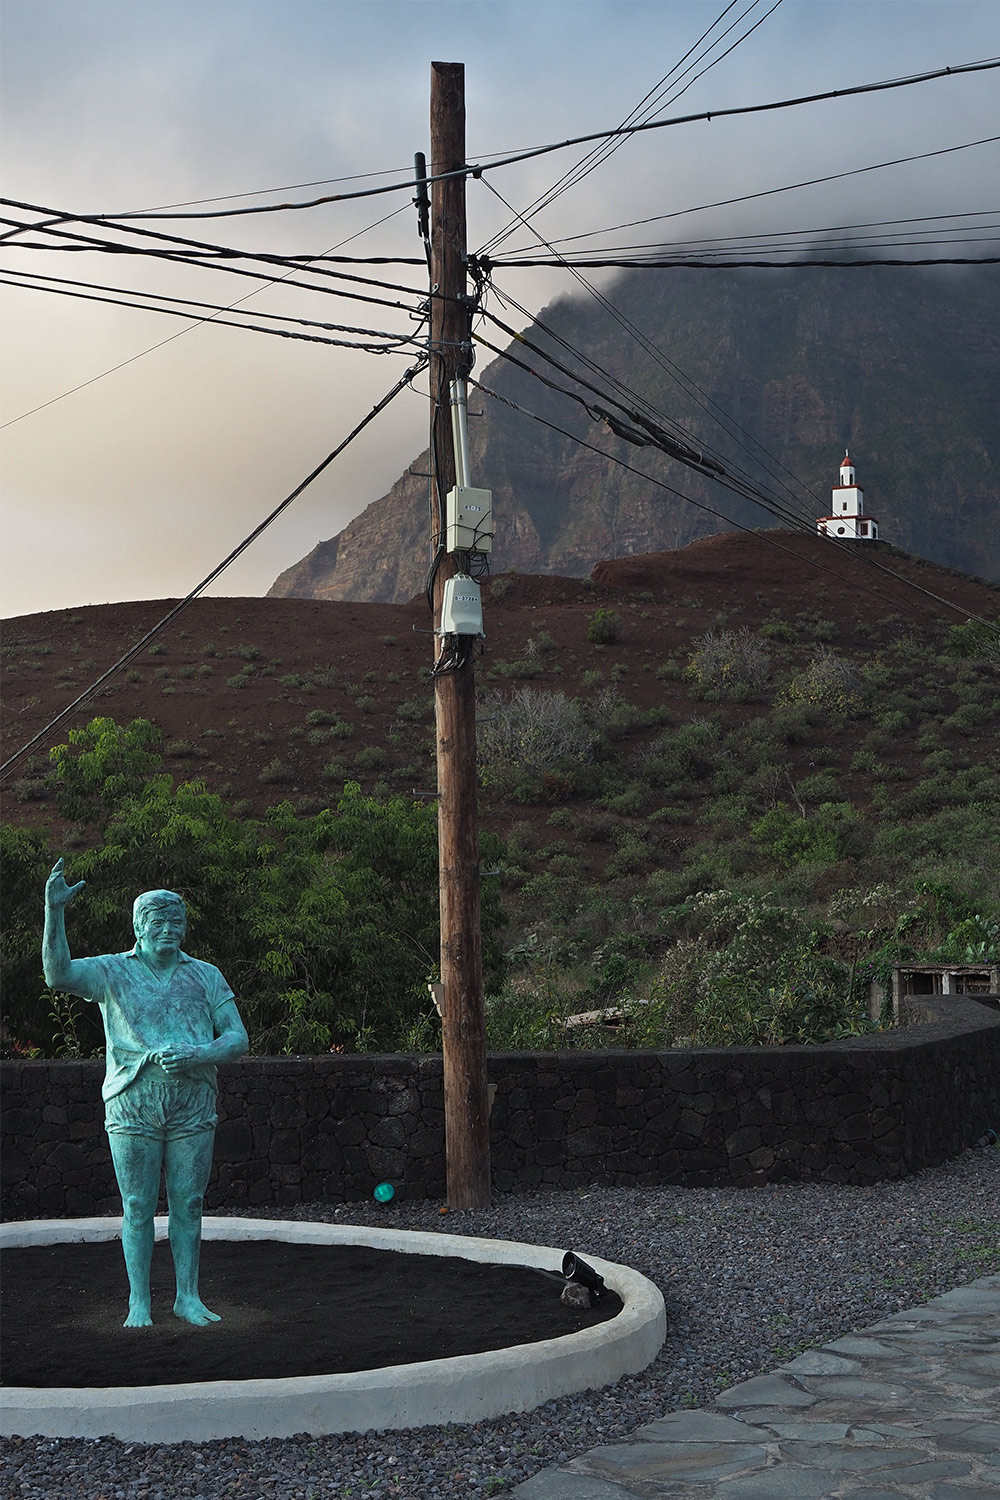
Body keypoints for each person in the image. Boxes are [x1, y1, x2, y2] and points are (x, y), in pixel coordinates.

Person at [42, 859, 249, 1328]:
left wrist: (197, 1053)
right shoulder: (112, 972)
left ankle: (187, 1297)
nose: (170, 929)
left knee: (188, 1201)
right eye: (159, 921)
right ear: (138, 927)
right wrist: (54, 913)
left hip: (192, 1101)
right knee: (137, 1204)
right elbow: (58, 975)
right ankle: (139, 1300)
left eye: (177, 922)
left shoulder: (205, 974)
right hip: (133, 1101)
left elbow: (237, 1038)